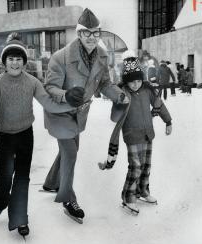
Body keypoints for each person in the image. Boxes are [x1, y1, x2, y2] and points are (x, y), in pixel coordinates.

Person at [0, 33, 77, 238]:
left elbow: (48, 103)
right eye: (11, 59)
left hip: (25, 135)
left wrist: (70, 102)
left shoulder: (32, 82)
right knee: (5, 178)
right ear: (5, 62)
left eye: (18, 59)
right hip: (5, 137)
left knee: (22, 178)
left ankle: (19, 218)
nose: (15, 63)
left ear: (24, 62)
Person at [41, 8, 129, 223]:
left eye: (95, 33)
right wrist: (66, 95)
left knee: (69, 149)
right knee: (70, 152)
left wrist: (118, 95)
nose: (92, 37)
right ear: (79, 34)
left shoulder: (101, 55)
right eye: (87, 33)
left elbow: (105, 83)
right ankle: (67, 199)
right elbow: (50, 88)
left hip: (79, 113)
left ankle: (51, 182)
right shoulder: (60, 57)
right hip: (59, 111)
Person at [99, 55, 172, 214]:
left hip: (147, 134)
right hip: (132, 136)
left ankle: (142, 191)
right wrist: (118, 103)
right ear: (126, 81)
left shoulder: (147, 90)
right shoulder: (123, 93)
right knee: (135, 167)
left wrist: (168, 121)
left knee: (146, 166)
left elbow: (159, 103)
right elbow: (114, 117)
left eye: (138, 81)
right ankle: (128, 197)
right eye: (131, 81)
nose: (135, 84)